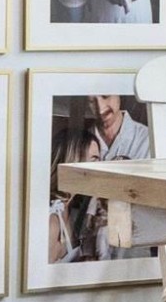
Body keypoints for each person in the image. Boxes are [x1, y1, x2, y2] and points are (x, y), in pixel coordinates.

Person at [50, 93, 154, 264]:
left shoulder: (148, 141)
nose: (100, 108)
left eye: (106, 97)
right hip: (82, 249)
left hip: (130, 251)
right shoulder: (82, 143)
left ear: (120, 95)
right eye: (91, 101)